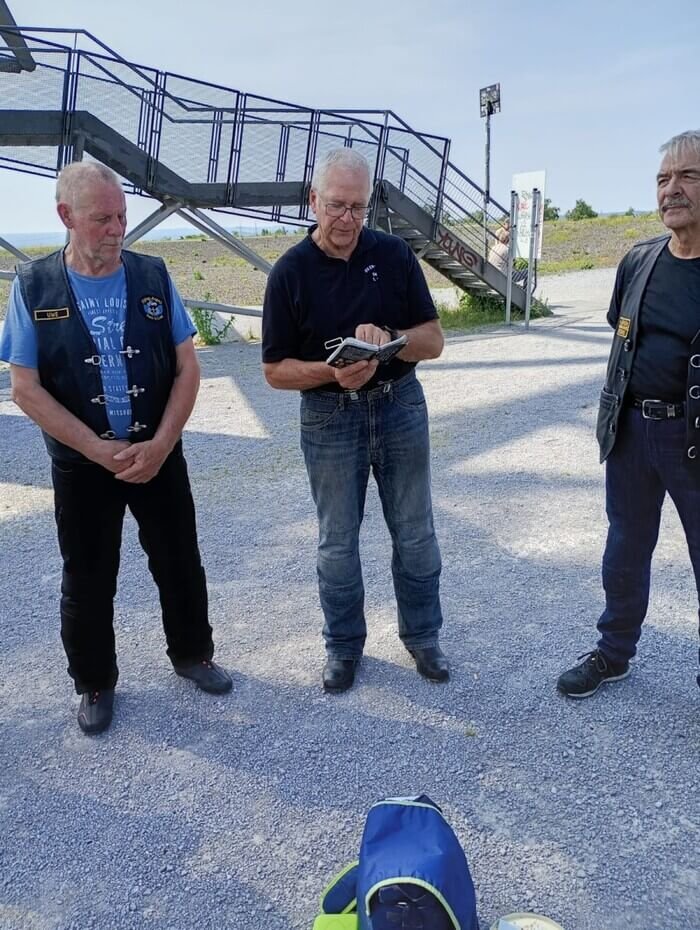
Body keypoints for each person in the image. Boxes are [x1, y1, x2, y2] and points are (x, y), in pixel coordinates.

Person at [0, 162, 232, 734]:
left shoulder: (153, 275)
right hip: (81, 466)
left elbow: (187, 367)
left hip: (159, 454)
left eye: (122, 216)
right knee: (88, 576)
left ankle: (193, 654)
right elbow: (25, 388)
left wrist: (162, 443)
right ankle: (95, 682)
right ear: (66, 216)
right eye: (102, 218)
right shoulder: (33, 286)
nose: (116, 229)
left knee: (179, 560)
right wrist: (97, 450)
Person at [262, 148, 449, 693]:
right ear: (313, 200)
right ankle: (343, 646)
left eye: (359, 208)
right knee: (337, 542)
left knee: (415, 531)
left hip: (399, 405)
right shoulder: (290, 273)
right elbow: (274, 370)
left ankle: (423, 637)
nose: (347, 219)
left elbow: (434, 340)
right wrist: (331, 371)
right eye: (337, 206)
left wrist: (389, 340)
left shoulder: (393, 254)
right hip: (329, 416)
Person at [557, 129, 700, 698]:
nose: (672, 189)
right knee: (624, 549)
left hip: (692, 437)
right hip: (632, 431)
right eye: (663, 179)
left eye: (687, 176)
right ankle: (613, 653)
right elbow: (623, 328)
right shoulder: (639, 261)